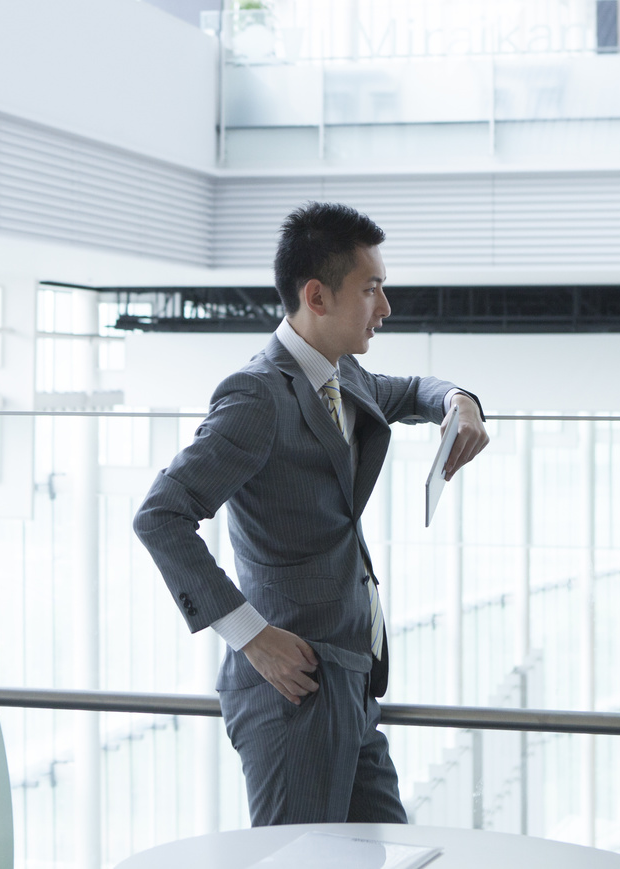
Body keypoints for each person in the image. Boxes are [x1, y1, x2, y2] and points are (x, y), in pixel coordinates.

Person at [132, 202, 489, 825]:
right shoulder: (257, 396)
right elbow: (160, 516)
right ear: (317, 296)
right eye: (371, 289)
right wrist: (252, 638)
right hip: (291, 690)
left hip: (350, 681)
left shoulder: (339, 375)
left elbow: (408, 391)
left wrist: (459, 401)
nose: (385, 307)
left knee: (386, 852)